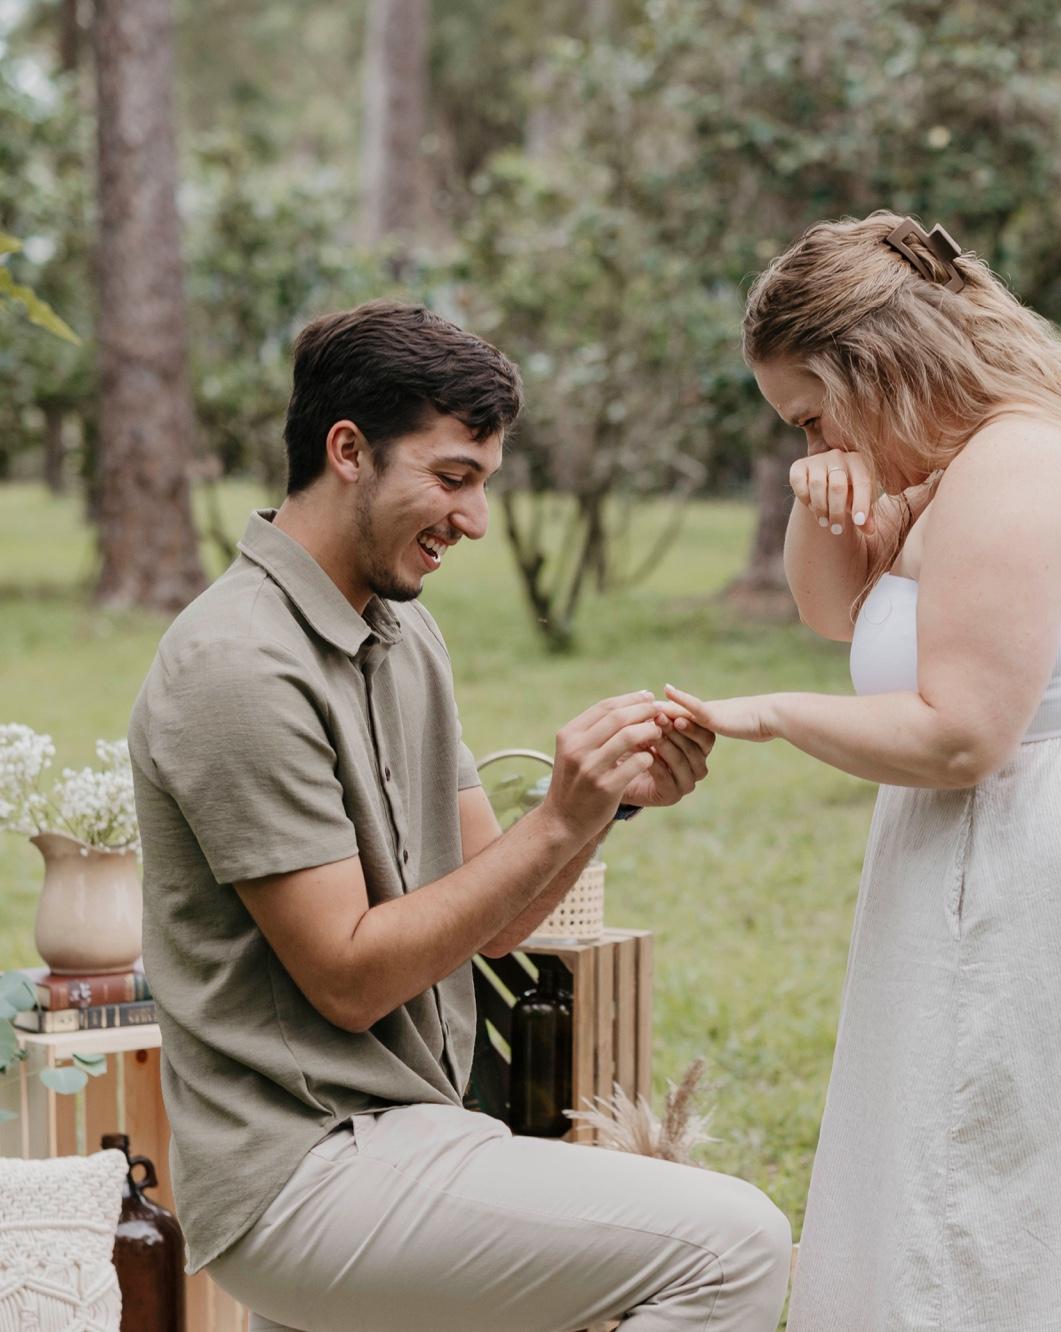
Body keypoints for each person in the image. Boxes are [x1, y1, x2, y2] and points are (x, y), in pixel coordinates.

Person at [665, 213, 1061, 1331]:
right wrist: (823, 493)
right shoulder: (960, 461)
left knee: (1029, 1198)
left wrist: (765, 715)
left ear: (877, 367)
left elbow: (962, 737)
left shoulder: (1018, 466)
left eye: (813, 415)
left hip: (1058, 877)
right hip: (1010, 851)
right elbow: (834, 612)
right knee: (977, 1186)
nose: (814, 442)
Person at [127, 300, 791, 1332]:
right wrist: (558, 816)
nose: (474, 519)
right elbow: (350, 980)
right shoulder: (238, 667)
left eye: (484, 482)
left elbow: (502, 921)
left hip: (410, 1129)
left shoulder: (403, 635)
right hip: (307, 1166)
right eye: (451, 478)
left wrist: (601, 804)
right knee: (736, 1246)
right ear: (349, 451)